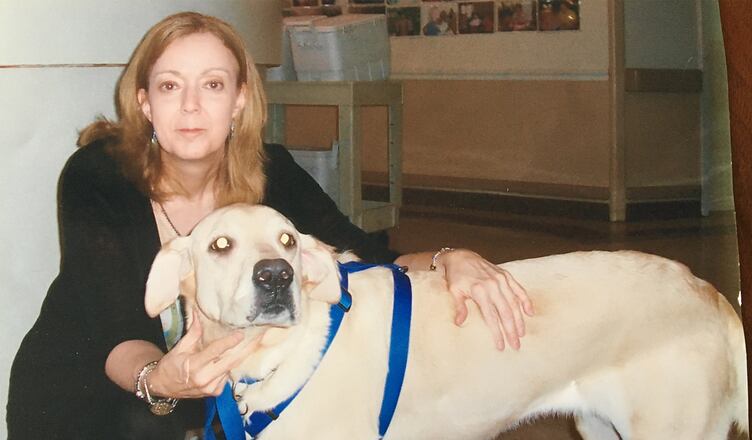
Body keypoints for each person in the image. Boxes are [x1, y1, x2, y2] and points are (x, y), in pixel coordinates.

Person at [7, 12, 532, 439]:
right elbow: (110, 327)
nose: (191, 105)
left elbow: (363, 255)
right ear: (144, 102)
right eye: (169, 86)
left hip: (217, 388)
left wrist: (448, 259)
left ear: (239, 99)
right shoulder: (99, 174)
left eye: (213, 84)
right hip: (89, 386)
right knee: (144, 423)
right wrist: (160, 378)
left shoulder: (273, 172)